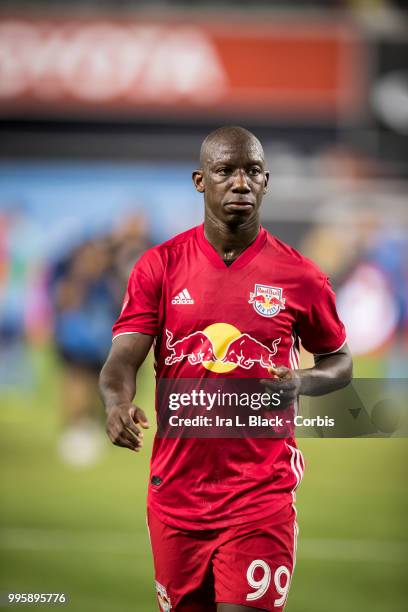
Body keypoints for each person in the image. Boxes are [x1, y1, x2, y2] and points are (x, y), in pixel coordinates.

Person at [99, 126, 353, 611]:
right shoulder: (160, 266)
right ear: (200, 181)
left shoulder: (300, 276)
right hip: (175, 497)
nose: (240, 182)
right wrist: (117, 402)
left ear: (266, 182)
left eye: (251, 171)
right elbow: (121, 359)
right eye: (225, 171)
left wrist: (304, 382)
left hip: (261, 496)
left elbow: (339, 360)